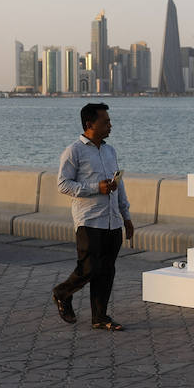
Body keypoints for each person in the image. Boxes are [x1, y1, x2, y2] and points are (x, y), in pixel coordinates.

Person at [51, 102, 134, 331]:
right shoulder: (74, 151)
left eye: (109, 121)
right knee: (89, 268)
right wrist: (96, 188)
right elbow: (63, 184)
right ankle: (62, 292)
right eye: (105, 122)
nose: (110, 125)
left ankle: (100, 317)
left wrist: (126, 217)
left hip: (112, 221)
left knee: (107, 270)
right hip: (89, 220)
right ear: (89, 124)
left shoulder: (110, 151)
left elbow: (119, 185)